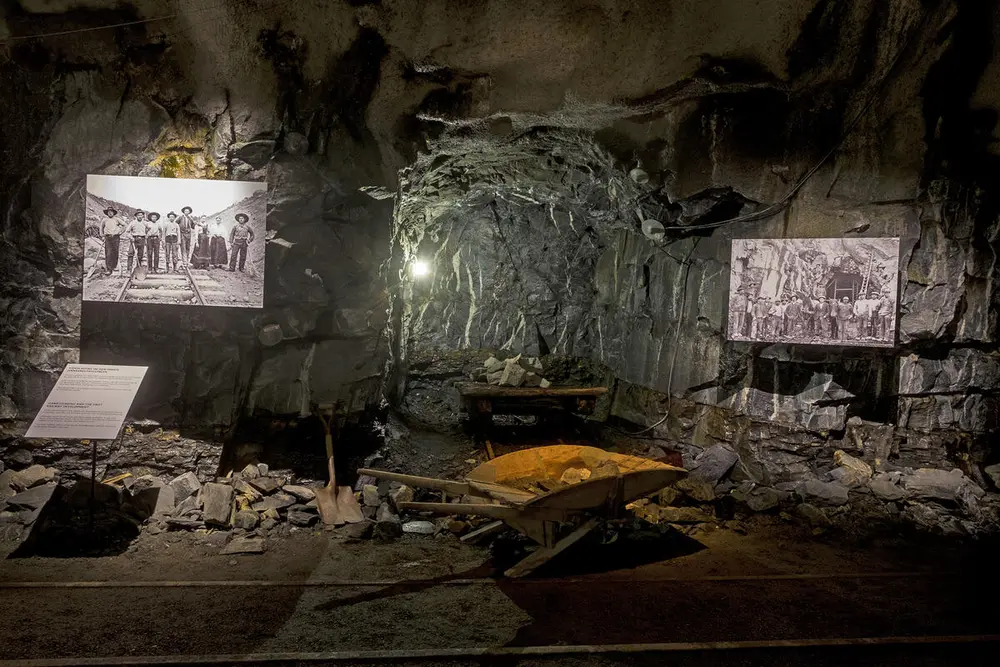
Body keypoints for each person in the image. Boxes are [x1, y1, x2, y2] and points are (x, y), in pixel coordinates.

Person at [99, 207, 124, 275]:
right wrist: (102, 235)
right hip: (108, 238)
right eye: (108, 212)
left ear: (113, 213)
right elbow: (101, 227)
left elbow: (124, 225)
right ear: (107, 213)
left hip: (116, 237)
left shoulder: (117, 219)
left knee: (115, 252)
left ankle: (114, 266)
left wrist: (120, 232)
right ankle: (109, 269)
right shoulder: (104, 220)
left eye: (111, 211)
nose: (110, 213)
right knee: (108, 253)